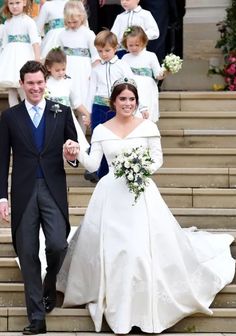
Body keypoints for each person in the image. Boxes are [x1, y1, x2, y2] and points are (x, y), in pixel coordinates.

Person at [59, 77, 235, 334]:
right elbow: (94, 165)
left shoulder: (148, 126)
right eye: (122, 99)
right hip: (110, 196)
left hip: (140, 193)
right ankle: (117, 307)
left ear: (136, 101)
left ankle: (140, 309)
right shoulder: (101, 129)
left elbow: (157, 159)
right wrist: (73, 155)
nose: (127, 103)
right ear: (114, 102)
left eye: (131, 99)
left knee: (139, 251)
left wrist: (140, 170)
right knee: (114, 252)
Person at [0, 60, 78, 335]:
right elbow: (1, 160)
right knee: (27, 252)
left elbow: (74, 150)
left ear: (46, 83)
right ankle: (36, 317)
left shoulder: (62, 112)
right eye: (30, 83)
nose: (35, 87)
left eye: (39, 82)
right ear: (22, 84)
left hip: (52, 188)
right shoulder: (10, 117)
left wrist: (72, 156)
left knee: (58, 244)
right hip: (22, 191)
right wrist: (2, 197)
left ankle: (50, 282)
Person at [85, 29, 144, 182]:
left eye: (107, 50)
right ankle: (99, 173)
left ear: (115, 48)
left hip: (116, 108)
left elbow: (132, 87)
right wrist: (87, 113)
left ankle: (117, 172)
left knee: (114, 138)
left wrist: (140, 107)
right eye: (100, 51)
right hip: (99, 107)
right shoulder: (96, 69)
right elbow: (91, 91)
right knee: (99, 138)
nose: (103, 54)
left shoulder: (122, 66)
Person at [59, 0, 100, 115]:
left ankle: (81, 131)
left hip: (83, 72)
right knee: (68, 99)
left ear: (82, 17)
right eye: (69, 22)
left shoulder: (88, 34)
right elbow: (59, 54)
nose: (71, 25)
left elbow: (96, 56)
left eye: (75, 22)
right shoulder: (62, 34)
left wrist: (93, 74)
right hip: (67, 71)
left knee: (83, 100)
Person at [44, 46, 90, 149]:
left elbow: (76, 102)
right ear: (48, 68)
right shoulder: (45, 82)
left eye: (63, 69)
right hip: (49, 118)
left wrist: (87, 113)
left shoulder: (68, 82)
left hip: (66, 118)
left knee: (68, 143)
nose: (61, 72)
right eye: (57, 70)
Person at [0, 0, 41, 107]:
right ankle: (14, 116)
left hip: (23, 57)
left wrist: (37, 59)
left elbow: (35, 42)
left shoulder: (28, 21)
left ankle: (27, 112)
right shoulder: (7, 22)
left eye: (17, 3)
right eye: (11, 3)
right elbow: (4, 43)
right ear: (7, 5)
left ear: (24, 3)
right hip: (9, 59)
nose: (14, 6)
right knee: (11, 89)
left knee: (23, 87)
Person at [122, 25, 165, 122]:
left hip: (147, 89)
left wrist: (164, 72)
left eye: (137, 45)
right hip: (132, 88)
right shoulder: (125, 58)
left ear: (144, 42)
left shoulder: (150, 56)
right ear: (126, 44)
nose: (134, 48)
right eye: (130, 45)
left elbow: (157, 74)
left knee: (147, 113)